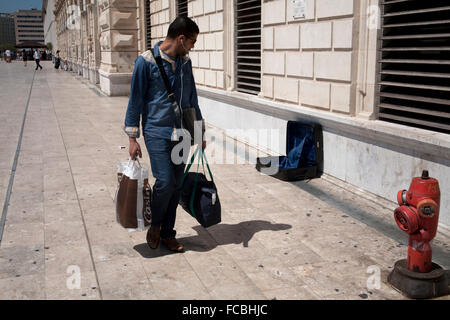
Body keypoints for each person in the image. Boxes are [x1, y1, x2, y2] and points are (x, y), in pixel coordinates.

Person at [124, 16, 206, 253]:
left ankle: (168, 234)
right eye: (192, 41)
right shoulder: (146, 62)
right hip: (156, 132)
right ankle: (156, 225)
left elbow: (192, 98)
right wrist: (132, 137)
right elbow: (135, 100)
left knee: (177, 185)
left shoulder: (184, 63)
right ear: (181, 39)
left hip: (182, 133)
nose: (193, 46)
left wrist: (198, 131)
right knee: (166, 182)